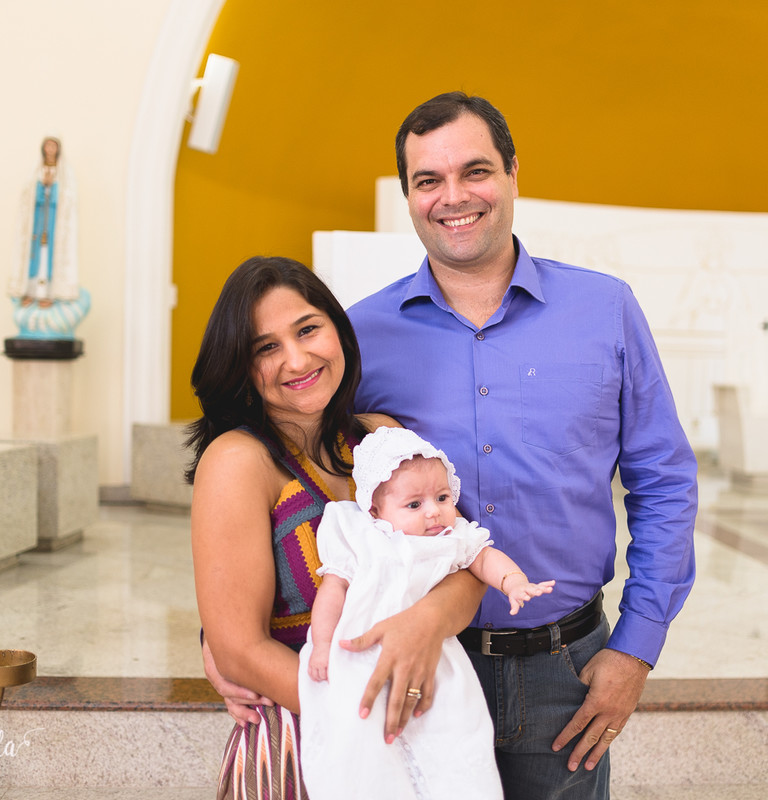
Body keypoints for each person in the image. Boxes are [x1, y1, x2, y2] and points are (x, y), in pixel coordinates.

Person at [344, 92, 699, 799]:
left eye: (474, 171)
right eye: (428, 180)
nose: (453, 197)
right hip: (426, 663)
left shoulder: (605, 309)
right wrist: (229, 638)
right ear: (409, 197)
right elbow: (299, 486)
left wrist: (635, 648)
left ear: (511, 174)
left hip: (567, 669)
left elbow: (664, 480)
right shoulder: (362, 336)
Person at [187, 256, 485, 800]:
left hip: (422, 726)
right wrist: (365, 714)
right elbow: (238, 650)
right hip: (307, 739)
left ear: (337, 329)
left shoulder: (382, 436)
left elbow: (466, 559)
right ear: (240, 366)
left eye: (307, 329)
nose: (296, 358)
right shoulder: (237, 461)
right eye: (266, 347)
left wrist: (426, 623)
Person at [298, 426, 554, 800]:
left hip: (433, 657)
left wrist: (513, 581)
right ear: (375, 509)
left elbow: (483, 558)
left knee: (451, 734)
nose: (434, 512)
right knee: (359, 744)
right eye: (414, 505)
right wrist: (322, 644)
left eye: (442, 497)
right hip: (357, 654)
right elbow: (333, 591)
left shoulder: (451, 538)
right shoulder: (359, 535)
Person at [8, 136, 90, 339]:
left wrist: (53, 188)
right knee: (35, 260)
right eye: (48, 146)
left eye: (54, 146)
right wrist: (40, 186)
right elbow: (27, 198)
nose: (50, 149)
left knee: (50, 261)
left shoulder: (64, 175)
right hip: (37, 225)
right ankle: (32, 293)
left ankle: (49, 295)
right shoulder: (35, 173)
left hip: (54, 226)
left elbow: (68, 199)